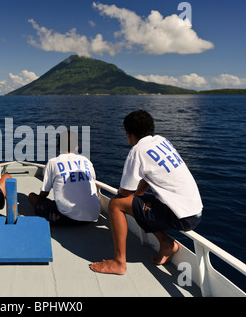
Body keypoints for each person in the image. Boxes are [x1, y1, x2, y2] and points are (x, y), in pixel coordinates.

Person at [90, 110, 203, 274]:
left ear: (129, 134)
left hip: (180, 216)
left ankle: (118, 262)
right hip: (195, 211)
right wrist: (138, 199)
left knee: (116, 203)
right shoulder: (161, 141)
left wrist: (131, 200)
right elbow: (148, 176)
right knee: (139, 203)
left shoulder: (137, 151)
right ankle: (166, 244)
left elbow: (124, 191)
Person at [28, 131, 101, 225]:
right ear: (76, 148)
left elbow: (44, 193)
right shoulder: (86, 161)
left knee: (32, 197)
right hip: (93, 215)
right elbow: (92, 182)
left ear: (58, 147)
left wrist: (40, 199)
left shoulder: (52, 162)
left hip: (66, 218)